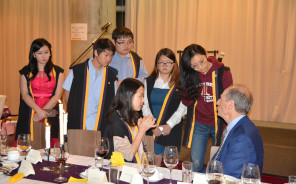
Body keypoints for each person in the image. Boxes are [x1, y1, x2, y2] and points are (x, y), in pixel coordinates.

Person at [179, 44, 233, 172]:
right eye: (194, 66)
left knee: (218, 164)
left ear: (206, 55)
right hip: (199, 123)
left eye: (201, 61)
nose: (200, 67)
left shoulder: (223, 71)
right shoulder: (192, 75)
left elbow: (230, 99)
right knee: (196, 163)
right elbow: (186, 102)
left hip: (219, 122)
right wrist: (185, 83)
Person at [15, 38, 64, 148]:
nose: (44, 56)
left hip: (50, 110)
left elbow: (57, 95)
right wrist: (38, 111)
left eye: (46, 52)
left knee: (49, 143)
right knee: (28, 145)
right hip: (30, 110)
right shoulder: (25, 72)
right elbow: (25, 94)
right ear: (33, 54)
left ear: (50, 53)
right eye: (40, 53)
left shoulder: (58, 72)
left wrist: (43, 112)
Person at [142, 48, 187, 166]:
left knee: (170, 163)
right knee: (154, 162)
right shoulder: (149, 81)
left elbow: (183, 107)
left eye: (168, 62)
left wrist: (169, 125)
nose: (165, 65)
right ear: (156, 64)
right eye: (161, 62)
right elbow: (145, 104)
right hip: (153, 127)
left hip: (171, 128)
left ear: (174, 64)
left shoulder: (181, 83)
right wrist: (153, 126)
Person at [63, 38, 116, 132]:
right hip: (77, 122)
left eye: (111, 56)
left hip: (99, 125)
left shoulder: (111, 77)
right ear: (96, 53)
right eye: (106, 55)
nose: (109, 59)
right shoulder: (77, 71)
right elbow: (67, 95)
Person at [213, 85, 264, 178]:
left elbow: (228, 177)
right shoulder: (240, 127)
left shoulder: (242, 138)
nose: (217, 102)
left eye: (221, 98)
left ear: (230, 105)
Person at [104, 78, 156, 163]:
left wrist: (141, 129)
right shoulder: (116, 122)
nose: (143, 100)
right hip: (119, 170)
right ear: (129, 95)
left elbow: (143, 144)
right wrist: (141, 130)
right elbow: (128, 155)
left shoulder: (132, 115)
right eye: (140, 96)